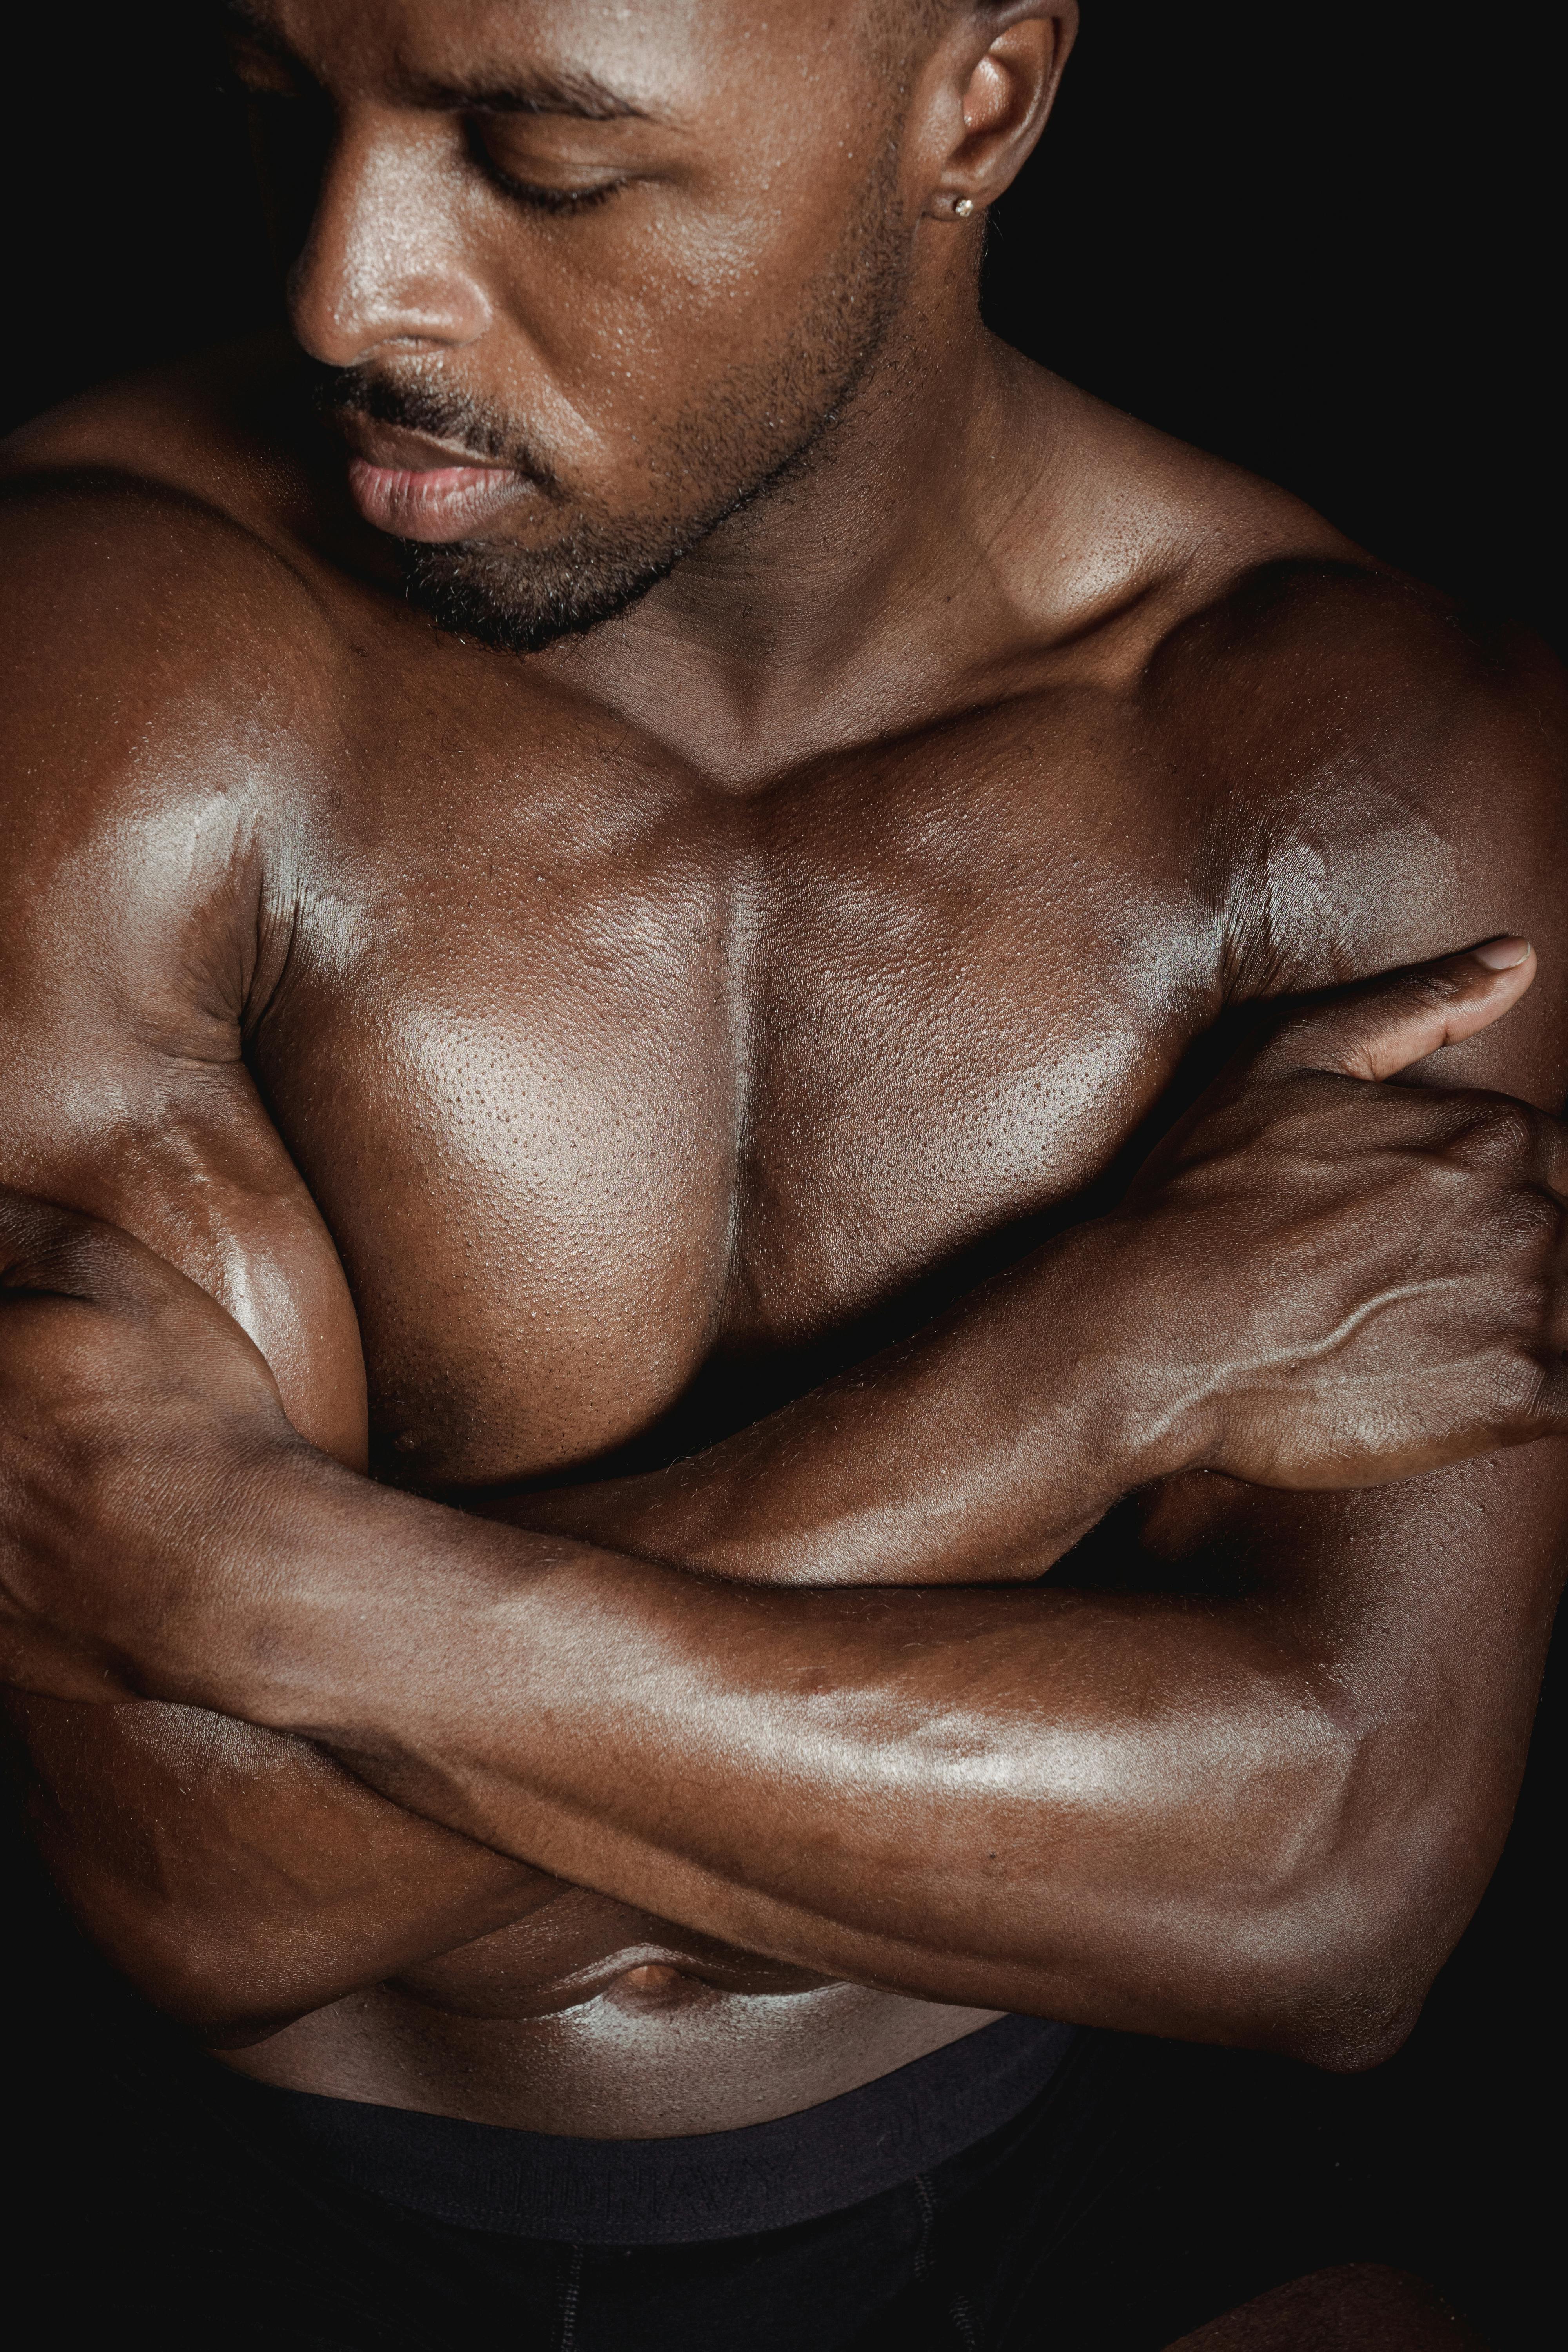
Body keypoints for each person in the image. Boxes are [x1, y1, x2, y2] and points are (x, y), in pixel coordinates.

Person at [1, 2, 1563, 2343]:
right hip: (260, 2199)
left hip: (1057, 2172)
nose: (344, 292)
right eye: (283, 108)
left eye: (540, 156)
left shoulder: (1351, 759)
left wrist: (285, 1610)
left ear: (980, 104)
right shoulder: (98, 641)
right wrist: (1085, 1368)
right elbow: (205, 1878)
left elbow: (1334, 1889)